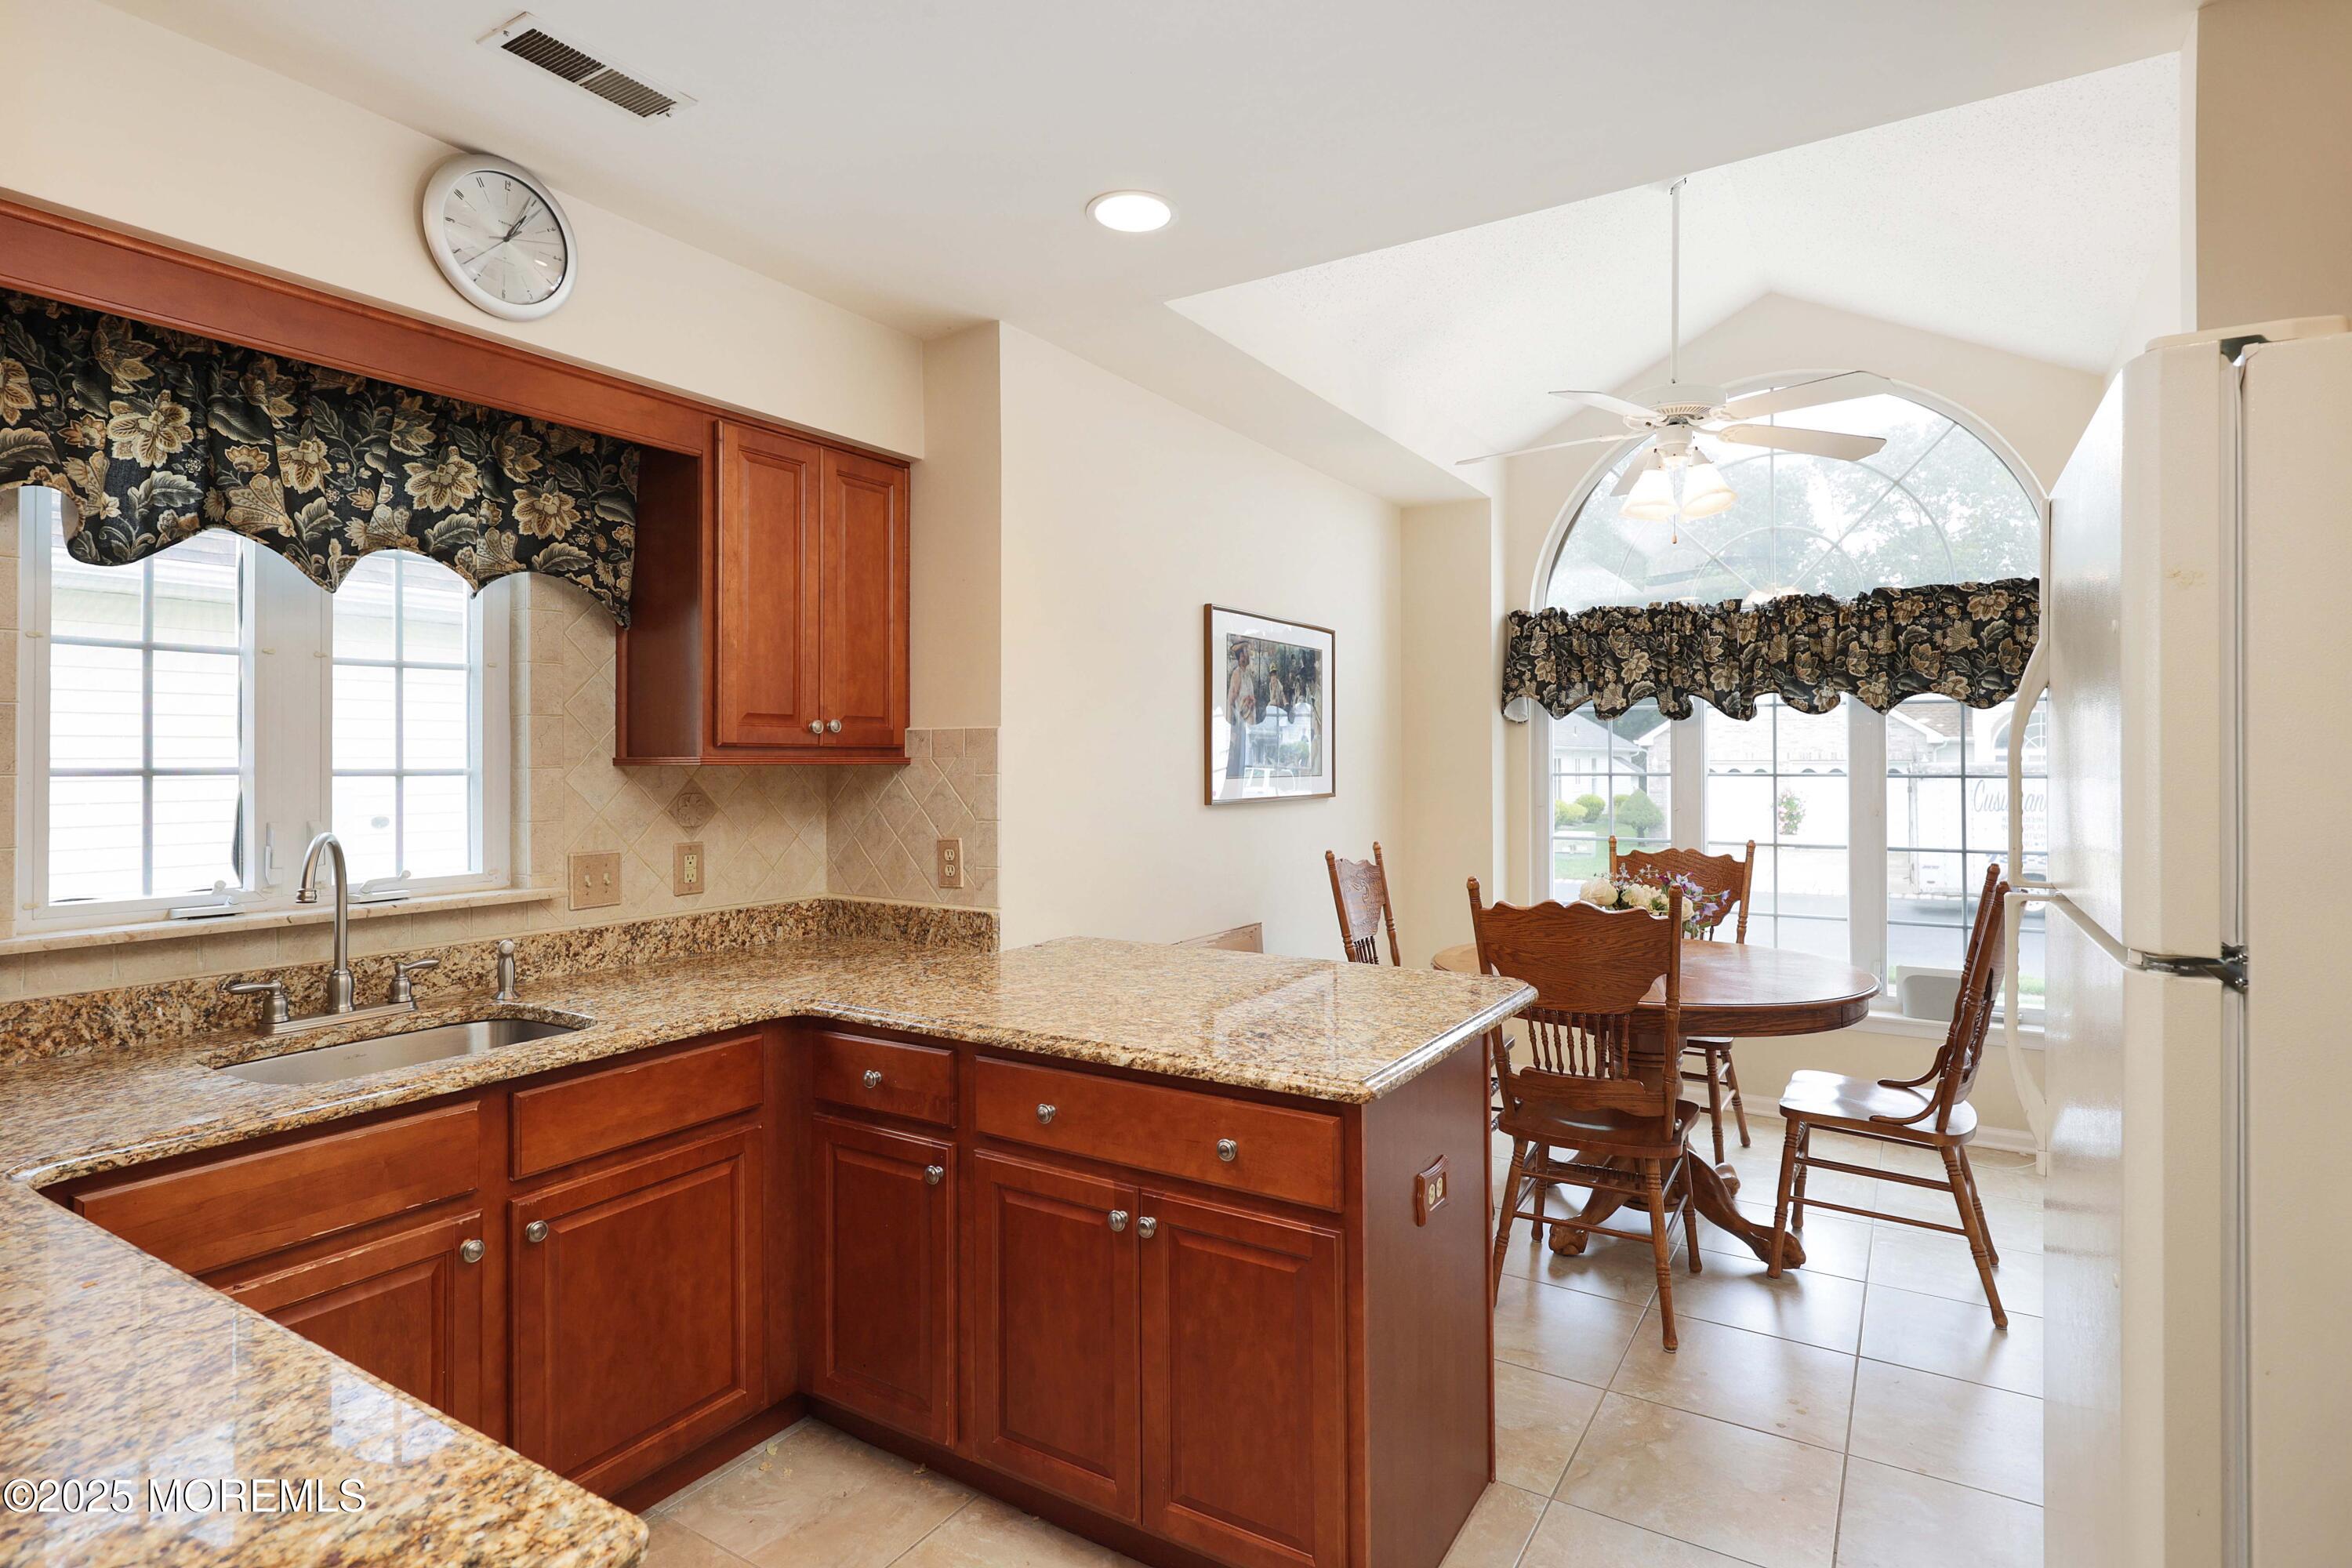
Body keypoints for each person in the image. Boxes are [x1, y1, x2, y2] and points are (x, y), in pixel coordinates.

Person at [1225, 641, 1255, 780]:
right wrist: (1232, 732)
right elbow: (1231, 703)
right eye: (1246, 652)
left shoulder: (1247, 675)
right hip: (1240, 728)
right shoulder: (1237, 674)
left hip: (1249, 728)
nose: (1248, 655)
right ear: (1241, 656)